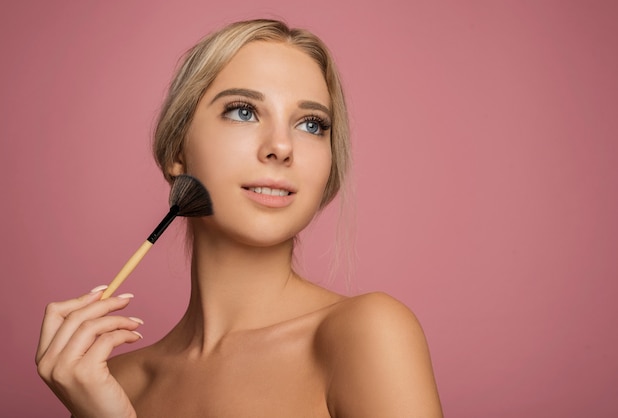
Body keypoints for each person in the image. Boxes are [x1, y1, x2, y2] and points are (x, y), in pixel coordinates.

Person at [35, 19, 443, 417]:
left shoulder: (366, 334)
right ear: (178, 149)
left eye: (311, 124)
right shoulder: (113, 384)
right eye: (244, 111)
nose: (282, 147)